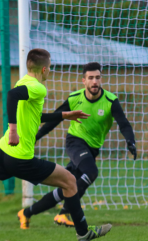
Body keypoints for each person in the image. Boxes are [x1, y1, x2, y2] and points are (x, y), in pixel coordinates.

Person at [0, 50, 112, 241]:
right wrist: (13, 130)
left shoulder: (24, 81)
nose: (49, 71)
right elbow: (11, 96)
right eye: (49, 68)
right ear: (44, 69)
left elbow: (34, 116)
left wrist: (64, 115)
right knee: (69, 181)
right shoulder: (39, 88)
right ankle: (83, 232)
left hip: (2, 153)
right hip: (19, 158)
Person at [18, 62, 136, 227]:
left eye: (97, 77)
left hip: (92, 149)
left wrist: (130, 140)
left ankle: (26, 213)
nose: (95, 81)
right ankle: (64, 213)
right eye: (90, 78)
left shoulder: (110, 101)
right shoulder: (75, 98)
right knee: (91, 172)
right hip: (75, 142)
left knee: (65, 187)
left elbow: (124, 124)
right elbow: (54, 119)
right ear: (84, 81)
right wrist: (35, 137)